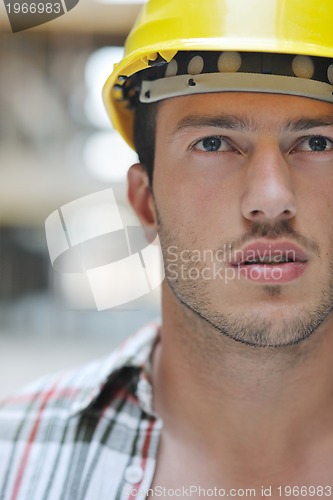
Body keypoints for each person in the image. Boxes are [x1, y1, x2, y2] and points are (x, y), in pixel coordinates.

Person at [1, 0, 333, 498]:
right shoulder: (14, 460)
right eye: (214, 143)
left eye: (318, 144)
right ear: (146, 202)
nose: (271, 199)